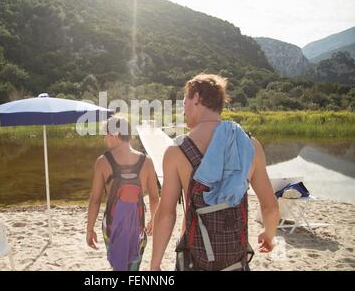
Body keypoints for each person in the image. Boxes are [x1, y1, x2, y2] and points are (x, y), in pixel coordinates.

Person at [151, 73, 279, 271]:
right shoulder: (250, 145)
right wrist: (268, 235)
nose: (183, 111)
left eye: (184, 102)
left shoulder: (177, 152)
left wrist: (155, 264)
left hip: (194, 262)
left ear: (196, 98)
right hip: (235, 262)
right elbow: (270, 207)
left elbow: (167, 214)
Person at [87, 116, 160, 271]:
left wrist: (90, 228)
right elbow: (154, 197)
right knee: (134, 267)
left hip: (112, 226)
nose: (105, 138)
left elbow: (95, 199)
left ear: (114, 135)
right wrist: (153, 221)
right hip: (138, 227)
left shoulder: (102, 162)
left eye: (106, 134)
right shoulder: (147, 161)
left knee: (118, 265)